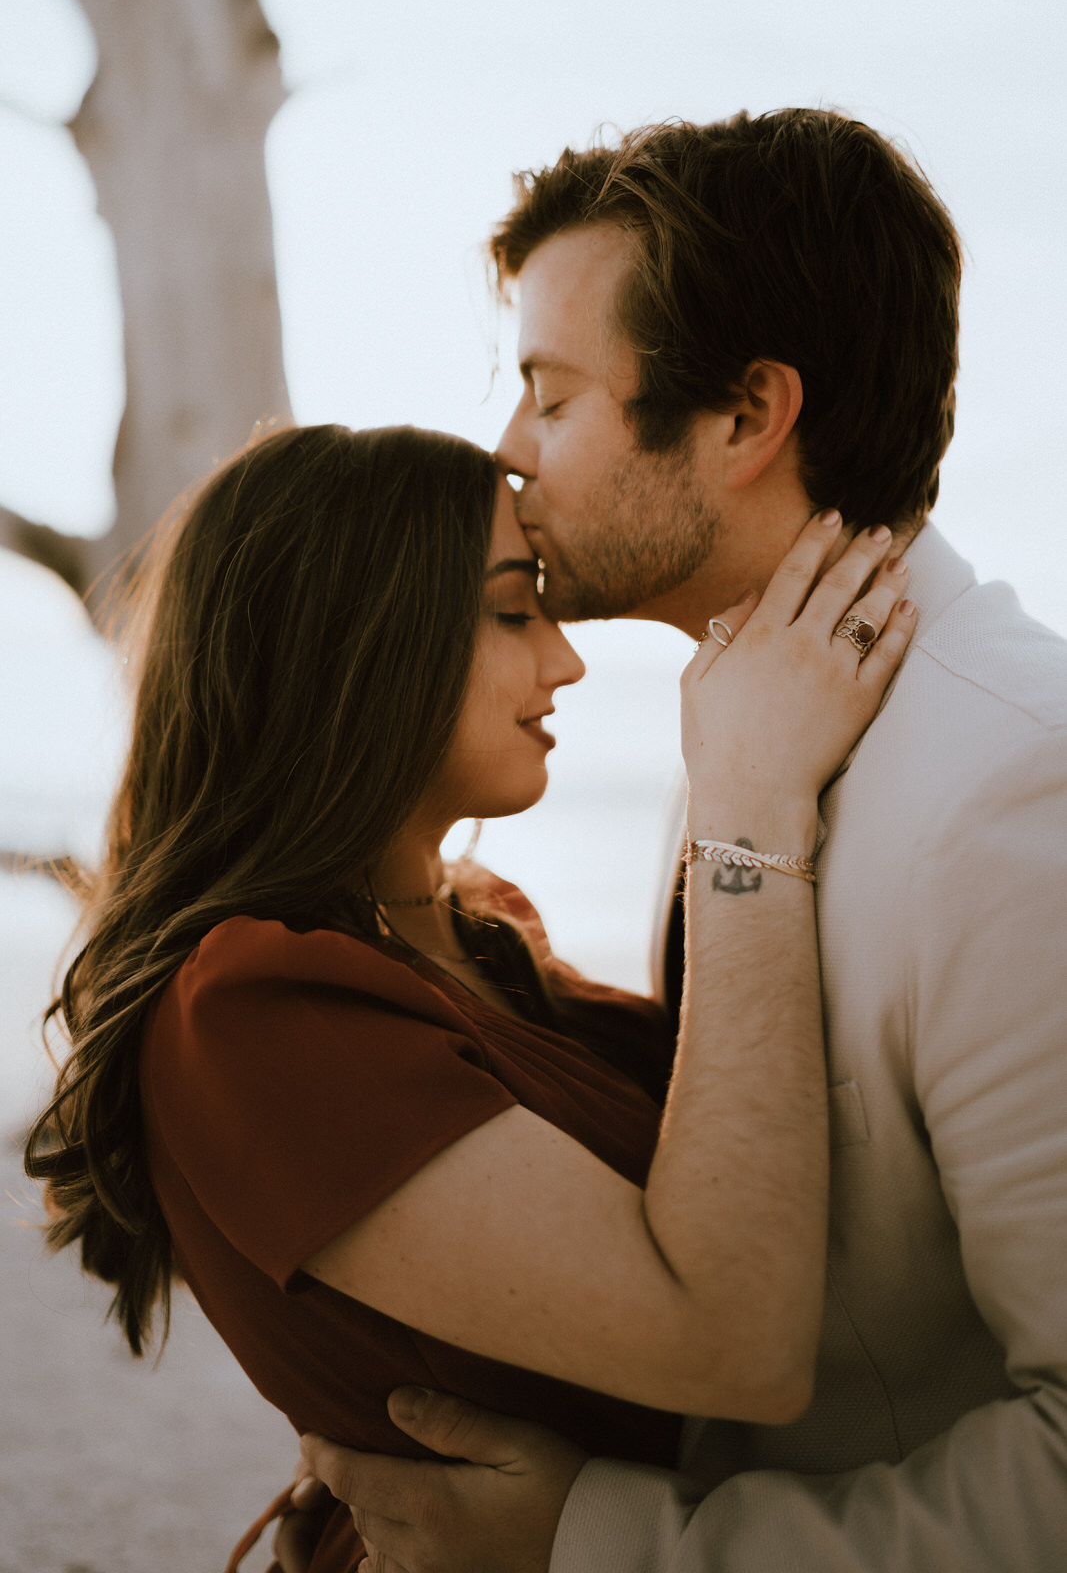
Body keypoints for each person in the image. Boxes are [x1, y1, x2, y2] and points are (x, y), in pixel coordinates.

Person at [284, 110, 1067, 1571]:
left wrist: (610, 1541)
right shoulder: (757, 726)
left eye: (550, 396)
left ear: (743, 416)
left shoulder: (1016, 790)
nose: (505, 454)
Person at [24, 421, 914, 1573]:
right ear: (354, 649)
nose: (565, 659)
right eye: (511, 611)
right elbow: (732, 1340)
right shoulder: (248, 1013)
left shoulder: (469, 927)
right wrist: (747, 806)